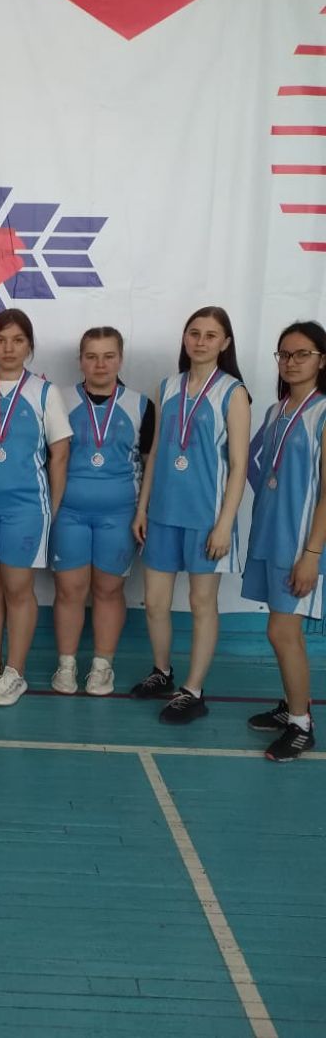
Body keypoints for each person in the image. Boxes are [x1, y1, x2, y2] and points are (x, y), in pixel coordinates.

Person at [132, 306, 250, 723]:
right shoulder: (167, 387)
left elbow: (239, 465)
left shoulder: (233, 393)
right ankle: (162, 672)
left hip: (206, 517)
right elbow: (154, 453)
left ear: (225, 343)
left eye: (210, 335)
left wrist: (224, 524)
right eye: (194, 333)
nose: (201, 341)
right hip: (163, 514)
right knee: (154, 602)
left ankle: (193, 690)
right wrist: (143, 508)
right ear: (185, 338)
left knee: (202, 604)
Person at [0, 309, 71, 706]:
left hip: (26, 507)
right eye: (0, 340)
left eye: (17, 340)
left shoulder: (45, 392)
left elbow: (60, 455)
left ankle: (15, 671)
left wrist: (50, 509)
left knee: (17, 589)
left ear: (30, 346)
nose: (8, 348)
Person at [50, 327, 153, 696]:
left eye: (109, 356)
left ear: (120, 359)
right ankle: (66, 665)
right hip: (69, 513)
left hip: (119, 516)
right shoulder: (59, 400)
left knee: (109, 590)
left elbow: (150, 465)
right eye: (91, 356)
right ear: (80, 360)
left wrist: (142, 511)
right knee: (69, 590)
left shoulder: (141, 405)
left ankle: (102, 666)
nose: (100, 364)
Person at [243, 320, 326, 761]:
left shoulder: (323, 413)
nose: (292, 362)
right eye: (285, 354)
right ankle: (293, 705)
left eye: (302, 354)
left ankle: (301, 725)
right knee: (281, 629)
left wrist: (312, 554)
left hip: (301, 544)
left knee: (282, 631)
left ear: (322, 360)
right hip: (272, 535)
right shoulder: (277, 411)